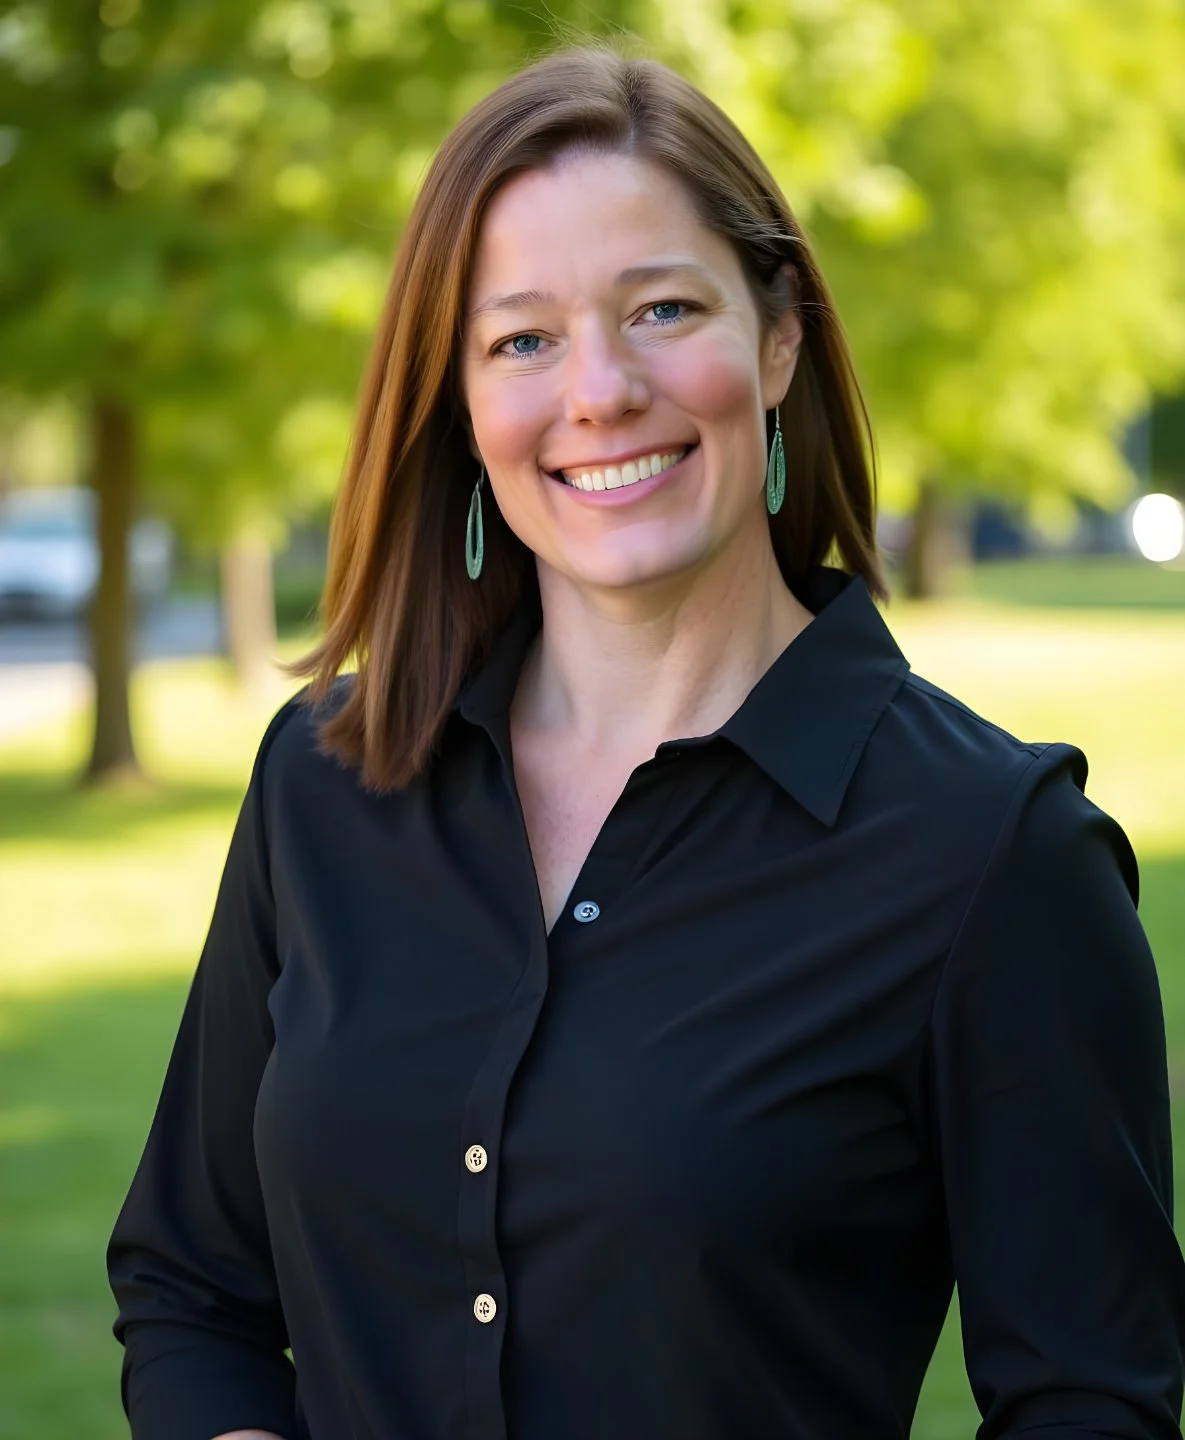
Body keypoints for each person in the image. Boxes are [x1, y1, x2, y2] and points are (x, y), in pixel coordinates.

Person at [106, 44, 1185, 1440]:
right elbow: (194, 1286)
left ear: (779, 335)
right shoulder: (325, 783)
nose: (600, 391)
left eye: (662, 308)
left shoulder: (994, 853)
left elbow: (1090, 1401)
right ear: (461, 401)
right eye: (523, 339)